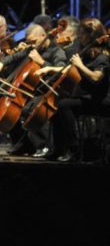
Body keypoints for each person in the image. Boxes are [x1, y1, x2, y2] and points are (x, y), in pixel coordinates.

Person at [0, 23, 66, 156]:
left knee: (25, 109)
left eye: (34, 41)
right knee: (10, 108)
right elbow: (14, 56)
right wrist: (0, 64)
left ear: (43, 36)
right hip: (30, 91)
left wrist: (41, 62)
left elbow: (62, 71)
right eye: (30, 42)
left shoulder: (56, 51)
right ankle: (24, 145)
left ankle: (43, 145)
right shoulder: (32, 48)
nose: (32, 45)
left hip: (47, 91)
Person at [38, 18, 108, 162]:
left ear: (91, 36)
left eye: (82, 35)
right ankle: (59, 149)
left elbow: (96, 77)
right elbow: (70, 68)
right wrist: (51, 68)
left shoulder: (103, 57)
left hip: (101, 101)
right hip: (87, 98)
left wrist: (80, 65)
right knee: (56, 105)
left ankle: (74, 149)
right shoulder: (87, 54)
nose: (79, 37)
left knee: (64, 106)